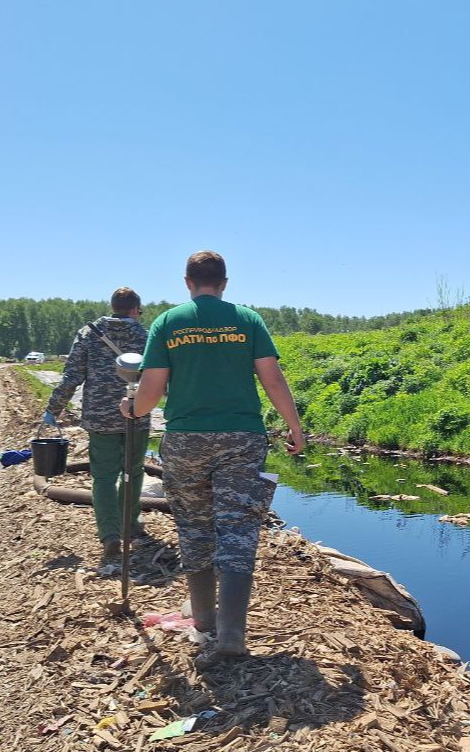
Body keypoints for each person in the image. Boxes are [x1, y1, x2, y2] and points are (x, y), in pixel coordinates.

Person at [122, 250, 304, 667]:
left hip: (186, 440)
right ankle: (233, 634)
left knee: (194, 527)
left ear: (188, 282)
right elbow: (272, 378)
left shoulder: (169, 322)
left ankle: (204, 621)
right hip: (243, 438)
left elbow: (149, 393)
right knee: (238, 530)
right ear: (224, 283)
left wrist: (130, 409)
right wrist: (294, 426)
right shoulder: (247, 320)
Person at [45, 287, 151, 566]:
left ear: (113, 306)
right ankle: (130, 523)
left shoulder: (89, 333)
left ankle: (109, 534)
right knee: (134, 470)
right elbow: (159, 376)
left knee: (103, 476)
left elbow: (71, 376)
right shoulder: (144, 335)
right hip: (137, 414)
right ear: (134, 309)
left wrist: (53, 410)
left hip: (99, 416)